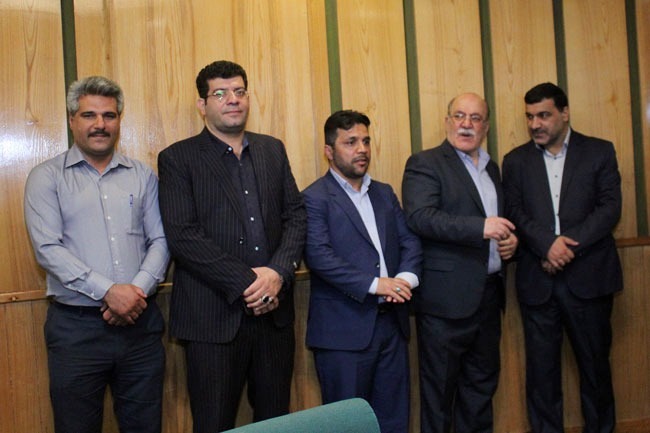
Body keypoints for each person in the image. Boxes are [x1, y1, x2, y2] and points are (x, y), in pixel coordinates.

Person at [157, 60, 306, 433]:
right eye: (220, 93)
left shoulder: (272, 150)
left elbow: (295, 216)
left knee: (276, 423)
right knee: (214, 423)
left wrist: (277, 274)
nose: (233, 100)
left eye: (239, 91)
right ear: (202, 104)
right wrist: (250, 283)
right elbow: (183, 236)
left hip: (274, 317)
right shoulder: (177, 158)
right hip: (212, 319)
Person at [23, 76, 170, 433]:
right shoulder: (46, 177)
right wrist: (109, 292)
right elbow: (48, 249)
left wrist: (134, 293)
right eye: (89, 115)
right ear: (72, 119)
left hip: (141, 327)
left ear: (119, 120)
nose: (100, 124)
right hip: (76, 332)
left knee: (145, 427)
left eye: (109, 115)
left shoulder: (142, 175)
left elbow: (162, 240)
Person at [502, 82, 622, 433]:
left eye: (543, 115)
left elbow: (610, 208)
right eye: (529, 117)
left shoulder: (599, 152)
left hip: (590, 278)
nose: (535, 124)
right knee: (542, 375)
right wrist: (546, 245)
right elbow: (514, 210)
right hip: (538, 281)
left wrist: (566, 248)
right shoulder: (515, 161)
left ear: (565, 113)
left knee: (595, 369)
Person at [402, 93, 518, 433]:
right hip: (445, 302)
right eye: (459, 116)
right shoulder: (425, 163)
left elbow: (498, 223)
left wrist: (510, 242)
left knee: (481, 388)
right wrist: (481, 228)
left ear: (486, 126)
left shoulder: (491, 167)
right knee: (439, 394)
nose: (466, 124)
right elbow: (421, 217)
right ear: (447, 121)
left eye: (475, 118)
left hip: (489, 297)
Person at [302, 110, 422, 433]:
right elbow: (319, 257)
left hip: (392, 325)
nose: (362, 149)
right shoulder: (314, 198)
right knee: (348, 426)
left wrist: (404, 281)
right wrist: (375, 284)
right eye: (351, 142)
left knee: (394, 421)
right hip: (343, 332)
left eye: (366, 141)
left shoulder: (384, 192)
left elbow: (410, 241)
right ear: (329, 151)